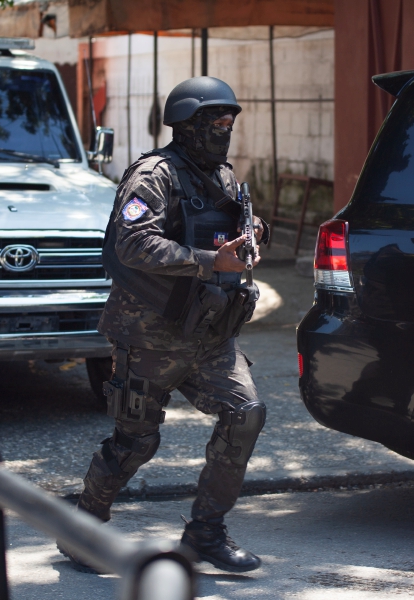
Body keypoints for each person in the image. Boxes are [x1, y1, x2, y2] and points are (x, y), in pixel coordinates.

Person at [59, 76, 268, 574]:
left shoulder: (223, 177)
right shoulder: (153, 175)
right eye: (215, 122)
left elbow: (229, 239)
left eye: (229, 122)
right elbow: (131, 243)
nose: (224, 131)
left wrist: (249, 238)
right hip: (149, 334)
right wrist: (207, 261)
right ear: (187, 124)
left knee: (246, 414)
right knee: (136, 441)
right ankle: (82, 528)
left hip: (210, 334)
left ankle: (205, 533)